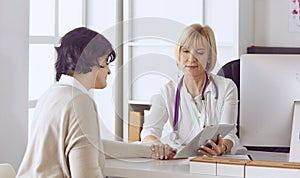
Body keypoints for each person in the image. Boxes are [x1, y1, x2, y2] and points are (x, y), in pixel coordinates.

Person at [16, 27, 174, 178]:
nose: (109, 71)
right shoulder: (79, 102)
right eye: (106, 62)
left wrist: (148, 150)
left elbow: (92, 146)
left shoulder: (52, 94)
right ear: (92, 61)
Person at [141, 24, 242, 157]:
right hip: (181, 159)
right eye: (186, 51)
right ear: (179, 53)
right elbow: (149, 132)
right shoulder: (168, 91)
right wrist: (158, 146)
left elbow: (230, 134)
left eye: (200, 52)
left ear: (209, 57)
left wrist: (222, 147)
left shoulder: (227, 88)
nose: (191, 59)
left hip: (216, 160)